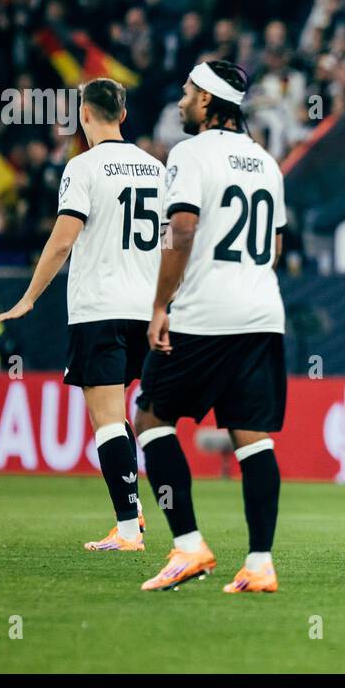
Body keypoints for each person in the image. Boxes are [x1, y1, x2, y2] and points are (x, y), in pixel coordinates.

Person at [133, 61, 288, 594]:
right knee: (252, 437)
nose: (180, 100)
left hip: (205, 312)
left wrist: (160, 304)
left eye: (187, 92)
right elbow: (274, 248)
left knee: (150, 418)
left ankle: (189, 545)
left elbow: (182, 228)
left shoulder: (190, 153)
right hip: (262, 312)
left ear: (206, 100)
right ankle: (260, 563)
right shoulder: (268, 162)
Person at [0, 79, 162, 552]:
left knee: (106, 417)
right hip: (145, 310)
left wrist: (29, 297)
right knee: (121, 411)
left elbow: (63, 238)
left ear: (84, 116)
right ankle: (135, 520)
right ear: (122, 115)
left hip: (101, 308)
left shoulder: (81, 168)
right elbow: (170, 242)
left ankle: (128, 530)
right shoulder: (155, 168)